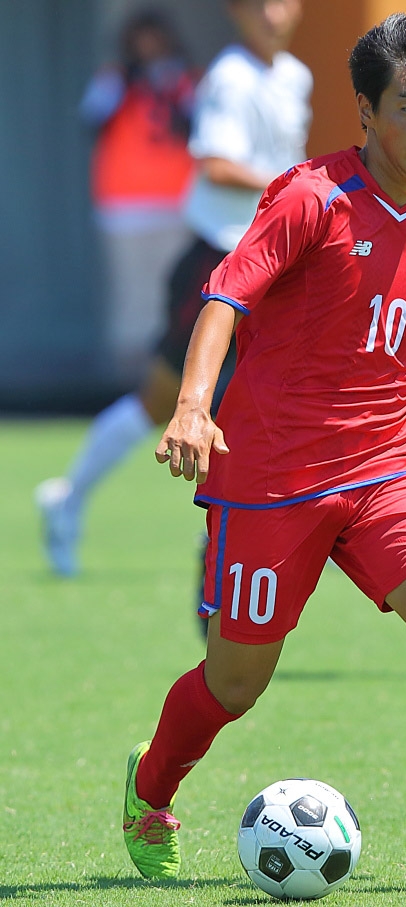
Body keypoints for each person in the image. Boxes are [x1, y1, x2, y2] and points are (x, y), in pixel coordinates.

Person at [121, 12, 406, 890]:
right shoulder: (309, 198)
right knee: (235, 684)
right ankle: (149, 787)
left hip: (387, 466)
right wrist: (194, 404)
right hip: (273, 477)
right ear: (365, 108)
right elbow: (222, 298)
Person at [35, 0, 312, 578]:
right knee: (160, 402)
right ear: (236, 12)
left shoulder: (294, 75)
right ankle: (67, 500)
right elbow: (215, 164)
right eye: (259, 3)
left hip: (273, 264)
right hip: (218, 260)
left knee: (283, 399)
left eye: (283, 0)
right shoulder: (230, 77)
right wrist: (298, 186)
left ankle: (283, 531)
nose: (273, 13)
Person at [79, 9, 197, 384]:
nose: (149, 48)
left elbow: (198, 127)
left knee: (173, 291)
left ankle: (167, 376)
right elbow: (91, 120)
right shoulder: (114, 79)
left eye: (155, 40)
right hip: (123, 205)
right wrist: (129, 82)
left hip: (175, 203)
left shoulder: (187, 80)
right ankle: (127, 377)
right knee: (131, 293)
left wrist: (171, 87)